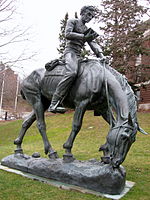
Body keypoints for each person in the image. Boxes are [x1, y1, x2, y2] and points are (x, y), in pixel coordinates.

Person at [49, 5, 105, 113]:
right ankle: (54, 103)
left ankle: (98, 104)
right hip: (70, 53)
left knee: (93, 71)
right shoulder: (72, 21)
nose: (90, 17)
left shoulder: (87, 29)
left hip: (79, 56)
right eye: (89, 14)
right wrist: (83, 37)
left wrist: (102, 56)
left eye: (92, 16)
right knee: (71, 73)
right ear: (82, 13)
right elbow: (67, 34)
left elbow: (93, 43)